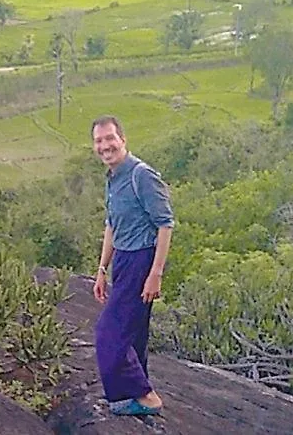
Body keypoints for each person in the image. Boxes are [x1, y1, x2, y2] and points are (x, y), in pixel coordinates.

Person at [91, 116, 174, 416]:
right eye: (99, 141)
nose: (105, 146)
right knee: (134, 332)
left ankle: (145, 395)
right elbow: (112, 226)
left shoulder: (141, 175)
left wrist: (155, 273)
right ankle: (136, 393)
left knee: (108, 333)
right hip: (123, 259)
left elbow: (165, 225)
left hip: (142, 260)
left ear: (123, 139)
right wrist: (102, 269)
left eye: (110, 138)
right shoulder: (113, 178)